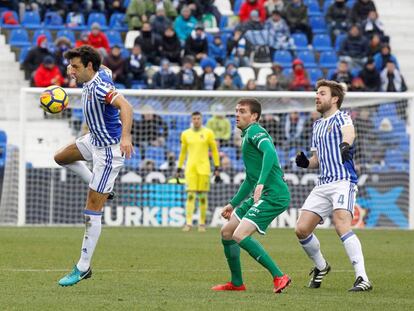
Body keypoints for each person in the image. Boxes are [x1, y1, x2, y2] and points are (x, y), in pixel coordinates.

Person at [55, 46, 133, 287]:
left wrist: (126, 137)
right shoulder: (100, 74)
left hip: (109, 151)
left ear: (89, 67)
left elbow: (126, 107)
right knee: (60, 157)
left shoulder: (100, 87)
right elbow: (107, 69)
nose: (70, 71)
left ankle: (83, 267)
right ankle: (103, 189)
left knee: (91, 210)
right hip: (93, 140)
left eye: (75, 67)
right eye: (70, 66)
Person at [295, 79, 372, 292]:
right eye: (316, 93)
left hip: (342, 181)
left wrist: (346, 144)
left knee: (341, 224)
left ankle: (362, 278)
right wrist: (306, 163)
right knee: (301, 229)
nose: (316, 97)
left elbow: (349, 133)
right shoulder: (317, 125)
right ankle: (321, 267)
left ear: (334, 99)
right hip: (323, 183)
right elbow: (316, 160)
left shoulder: (342, 116)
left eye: (321, 93)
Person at [212, 98, 291, 293]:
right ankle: (237, 283)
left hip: (274, 195)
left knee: (240, 235)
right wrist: (233, 204)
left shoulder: (256, 131)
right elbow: (249, 179)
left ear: (254, 116)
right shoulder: (247, 136)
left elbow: (270, 152)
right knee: (227, 232)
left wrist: (262, 183)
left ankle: (279, 276)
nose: (236, 114)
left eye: (242, 111)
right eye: (236, 110)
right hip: (262, 193)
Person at [176, 111, 221, 232]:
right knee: (190, 195)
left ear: (202, 120)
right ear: (191, 120)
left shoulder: (208, 133)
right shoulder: (185, 134)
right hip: (190, 169)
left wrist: (217, 167)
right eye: (194, 118)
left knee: (202, 196)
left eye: (198, 118)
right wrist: (179, 167)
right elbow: (183, 152)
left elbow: (215, 151)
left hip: (204, 169)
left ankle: (202, 223)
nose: (196, 120)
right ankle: (189, 223)